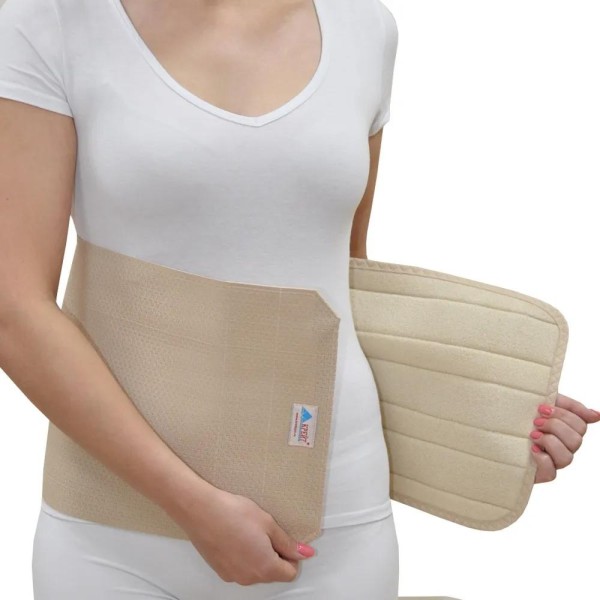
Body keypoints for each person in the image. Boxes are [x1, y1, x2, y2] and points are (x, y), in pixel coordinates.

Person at [0, 1, 598, 599]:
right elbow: (15, 309)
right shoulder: (49, 20)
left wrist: (487, 413)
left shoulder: (363, 27)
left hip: (332, 524)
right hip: (115, 531)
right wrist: (190, 503)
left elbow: (342, 281)